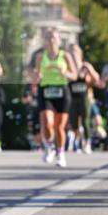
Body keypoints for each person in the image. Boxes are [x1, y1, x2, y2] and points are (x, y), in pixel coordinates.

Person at [32, 28, 78, 168]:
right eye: (49, 38)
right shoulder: (41, 56)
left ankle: (61, 153)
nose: (51, 40)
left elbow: (74, 75)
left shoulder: (65, 56)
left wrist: (65, 73)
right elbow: (36, 75)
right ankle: (49, 145)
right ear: (45, 41)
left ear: (59, 40)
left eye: (54, 38)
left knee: (59, 127)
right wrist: (37, 77)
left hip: (62, 91)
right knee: (47, 121)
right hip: (46, 90)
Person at [66, 43, 102, 153]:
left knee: (85, 120)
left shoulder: (85, 66)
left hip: (84, 97)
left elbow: (97, 80)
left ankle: (87, 142)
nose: (73, 55)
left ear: (80, 54)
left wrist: (90, 70)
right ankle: (76, 142)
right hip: (72, 98)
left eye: (75, 52)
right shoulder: (67, 67)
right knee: (73, 121)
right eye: (71, 53)